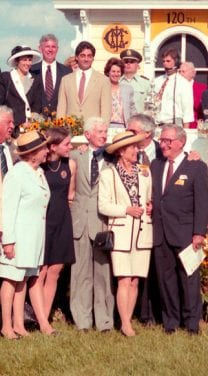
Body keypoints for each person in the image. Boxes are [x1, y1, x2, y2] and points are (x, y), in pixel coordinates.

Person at [150, 124, 208, 334]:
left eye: (168, 140)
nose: (163, 144)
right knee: (166, 280)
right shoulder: (156, 165)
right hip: (161, 233)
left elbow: (203, 202)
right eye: (162, 140)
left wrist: (199, 232)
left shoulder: (196, 167)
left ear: (181, 142)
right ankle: (171, 322)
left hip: (185, 233)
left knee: (189, 280)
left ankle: (192, 323)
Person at [0, 131, 55, 338]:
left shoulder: (38, 172)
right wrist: (8, 241)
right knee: (10, 279)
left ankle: (18, 324)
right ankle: (6, 325)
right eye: (43, 148)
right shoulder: (16, 174)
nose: (47, 151)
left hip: (33, 238)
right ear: (33, 153)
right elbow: (7, 209)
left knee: (23, 280)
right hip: (18, 237)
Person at [99, 131, 153, 337]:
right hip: (121, 233)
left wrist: (150, 206)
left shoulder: (144, 172)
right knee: (124, 278)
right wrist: (126, 210)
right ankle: (124, 323)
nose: (136, 150)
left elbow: (149, 198)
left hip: (142, 232)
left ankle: (127, 321)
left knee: (135, 280)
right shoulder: (108, 174)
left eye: (137, 147)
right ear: (121, 151)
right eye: (132, 147)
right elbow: (103, 205)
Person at [69, 116, 115, 332]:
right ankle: (82, 321)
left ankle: (104, 321)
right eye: (100, 132)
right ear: (87, 135)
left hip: (102, 224)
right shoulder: (75, 155)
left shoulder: (111, 157)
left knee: (103, 274)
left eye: (105, 132)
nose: (104, 135)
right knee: (80, 273)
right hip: (80, 222)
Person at [32, 127, 77, 322]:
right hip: (43, 223)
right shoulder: (38, 167)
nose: (71, 147)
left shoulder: (71, 165)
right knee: (40, 271)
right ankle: (37, 317)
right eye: (67, 144)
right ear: (52, 146)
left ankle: (46, 317)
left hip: (62, 222)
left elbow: (70, 196)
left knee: (55, 271)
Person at [126, 114, 162, 324]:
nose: (128, 134)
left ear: (147, 134)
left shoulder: (163, 150)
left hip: (155, 218)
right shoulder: (125, 151)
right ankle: (131, 312)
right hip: (130, 217)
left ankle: (150, 313)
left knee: (151, 267)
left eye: (133, 131)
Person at [57, 41, 112, 124]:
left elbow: (106, 111)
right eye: (82, 56)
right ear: (76, 57)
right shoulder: (66, 80)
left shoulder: (103, 80)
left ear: (93, 58)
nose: (86, 59)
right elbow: (61, 108)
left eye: (89, 56)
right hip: (70, 130)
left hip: (94, 131)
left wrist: (102, 130)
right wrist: (60, 130)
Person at [0, 46, 43, 138]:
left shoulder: (36, 79)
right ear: (16, 61)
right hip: (11, 129)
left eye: (29, 60)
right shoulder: (6, 78)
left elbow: (37, 105)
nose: (28, 63)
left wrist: (31, 122)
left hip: (30, 129)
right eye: (24, 60)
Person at [30, 34, 73, 116]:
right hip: (36, 122)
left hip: (59, 121)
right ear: (40, 48)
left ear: (57, 49)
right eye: (47, 46)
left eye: (53, 47)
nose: (50, 50)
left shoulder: (67, 72)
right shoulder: (32, 71)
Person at [152, 49, 194, 128]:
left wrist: (186, 131)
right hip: (156, 124)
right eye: (163, 61)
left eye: (168, 61)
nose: (165, 64)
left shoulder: (183, 83)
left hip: (174, 124)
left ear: (176, 62)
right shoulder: (157, 81)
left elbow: (187, 111)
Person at [104, 57, 136, 128]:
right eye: (113, 71)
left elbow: (132, 110)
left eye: (118, 71)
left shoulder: (128, 89)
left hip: (123, 126)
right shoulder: (102, 88)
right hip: (106, 126)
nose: (116, 74)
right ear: (108, 72)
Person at [119, 49, 151, 113]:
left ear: (138, 65)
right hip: (120, 121)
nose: (128, 64)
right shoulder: (116, 82)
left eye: (132, 62)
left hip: (139, 120)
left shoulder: (145, 83)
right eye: (126, 61)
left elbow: (150, 105)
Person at [178, 61, 207, 129]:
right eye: (179, 72)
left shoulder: (202, 88)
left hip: (196, 127)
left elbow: (205, 109)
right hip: (178, 126)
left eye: (183, 72)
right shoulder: (175, 88)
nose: (180, 74)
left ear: (193, 73)